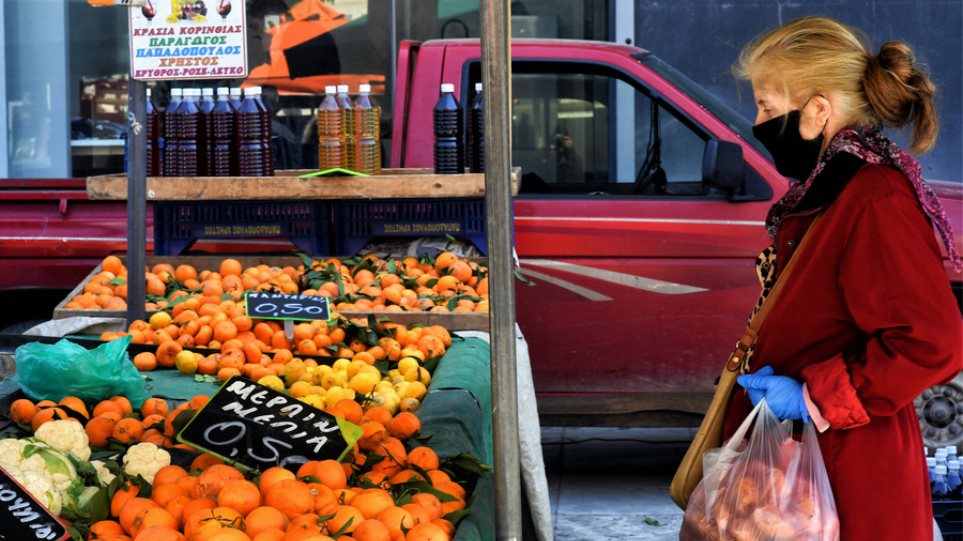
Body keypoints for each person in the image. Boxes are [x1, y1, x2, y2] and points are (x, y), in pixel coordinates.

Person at [723, 16, 963, 540]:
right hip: (804, 466)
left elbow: (933, 340)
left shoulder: (874, 198)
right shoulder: (830, 189)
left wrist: (811, 397)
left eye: (766, 106)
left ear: (817, 110)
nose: (757, 120)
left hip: (846, 471)